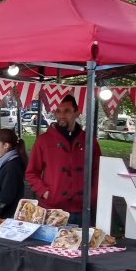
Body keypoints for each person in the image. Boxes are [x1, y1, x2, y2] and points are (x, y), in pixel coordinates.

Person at [25, 95, 101, 224]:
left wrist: (91, 196)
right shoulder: (43, 140)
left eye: (66, 111)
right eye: (58, 111)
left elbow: (98, 171)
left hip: (82, 209)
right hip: (52, 207)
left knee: (79, 243)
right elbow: (31, 172)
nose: (61, 115)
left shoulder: (89, 141)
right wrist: (44, 191)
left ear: (76, 113)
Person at [0, 128, 28, 218]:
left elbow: (5, 198)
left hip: (7, 217)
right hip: (2, 214)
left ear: (6, 145)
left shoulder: (12, 166)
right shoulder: (5, 162)